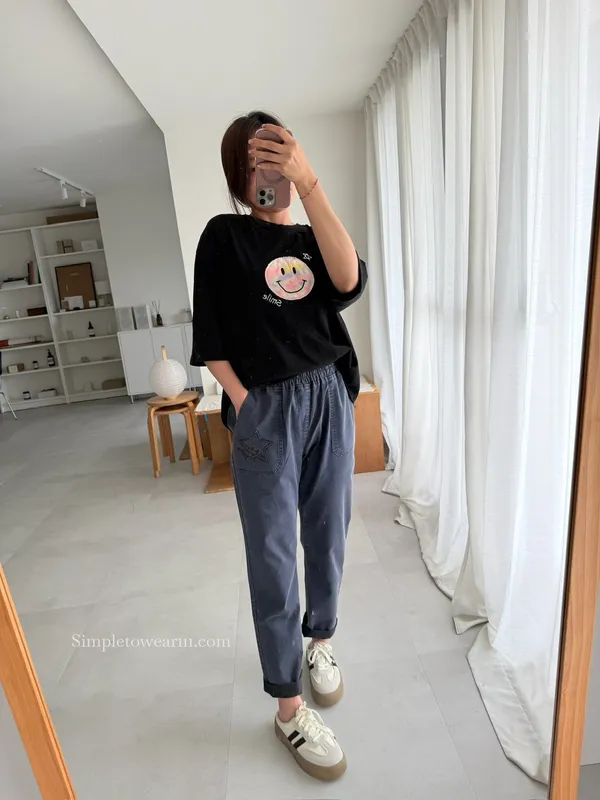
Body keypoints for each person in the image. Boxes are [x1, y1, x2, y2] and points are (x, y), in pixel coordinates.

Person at [191, 110, 367, 781]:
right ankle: (288, 705)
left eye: (277, 155)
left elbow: (348, 282)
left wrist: (310, 181)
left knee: (328, 531)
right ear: (237, 176)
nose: (268, 172)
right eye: (254, 162)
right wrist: (246, 404)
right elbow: (211, 338)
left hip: (328, 397)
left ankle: (320, 640)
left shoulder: (310, 234)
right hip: (265, 409)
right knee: (270, 551)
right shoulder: (225, 236)